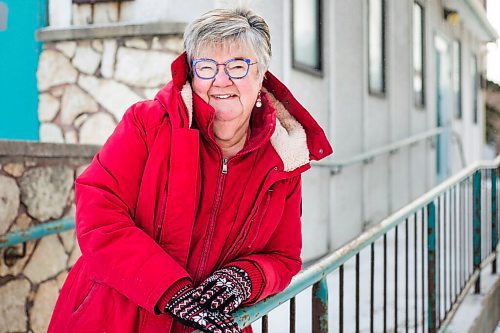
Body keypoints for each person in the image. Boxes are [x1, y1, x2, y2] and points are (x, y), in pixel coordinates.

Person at [48, 7, 332, 333]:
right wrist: (169, 289)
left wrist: (244, 277)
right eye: (207, 66)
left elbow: (282, 257)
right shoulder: (148, 123)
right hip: (110, 318)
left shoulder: (282, 161)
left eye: (237, 66)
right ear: (192, 74)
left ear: (261, 76)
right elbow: (99, 215)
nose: (220, 80)